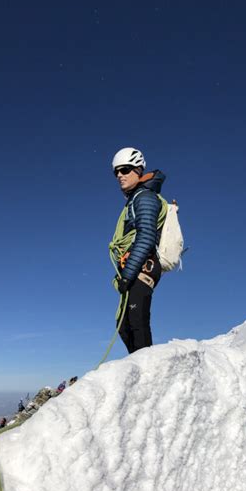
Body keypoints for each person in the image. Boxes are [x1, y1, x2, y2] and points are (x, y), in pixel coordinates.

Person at [110, 147, 165, 353]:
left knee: (136, 324)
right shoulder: (136, 199)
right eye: (116, 172)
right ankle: (140, 374)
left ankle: (149, 377)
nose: (119, 176)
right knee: (124, 326)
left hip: (143, 267)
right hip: (136, 267)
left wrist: (128, 275)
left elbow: (147, 236)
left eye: (124, 170)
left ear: (138, 170)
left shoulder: (145, 198)